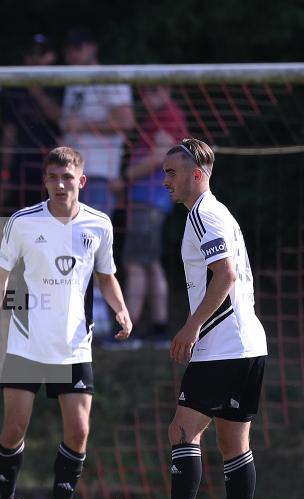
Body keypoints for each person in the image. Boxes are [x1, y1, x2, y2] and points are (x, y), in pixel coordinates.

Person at [0, 146, 133, 499]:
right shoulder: (23, 222)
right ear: (45, 181)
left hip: (74, 345)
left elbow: (106, 275)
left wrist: (120, 309)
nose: (61, 185)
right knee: (14, 427)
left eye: (68, 178)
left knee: (79, 431)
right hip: (26, 341)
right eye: (53, 177)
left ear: (81, 181)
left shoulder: (99, 224)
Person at [125, 139, 267, 499]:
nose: (164, 180)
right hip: (248, 343)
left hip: (223, 345)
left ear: (197, 175)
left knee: (182, 430)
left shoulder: (205, 214)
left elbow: (224, 277)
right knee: (234, 445)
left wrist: (190, 328)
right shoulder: (215, 213)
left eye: (171, 173)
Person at [60, 26, 133, 336]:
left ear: (91, 47)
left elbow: (125, 122)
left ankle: (101, 318)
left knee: (94, 247)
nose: (73, 55)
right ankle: (77, 314)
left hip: (99, 174)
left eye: (78, 48)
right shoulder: (70, 81)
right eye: (69, 50)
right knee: (70, 247)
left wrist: (84, 125)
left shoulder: (110, 76)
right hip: (69, 178)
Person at [112, 86, 189, 349]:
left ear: (166, 90)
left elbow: (160, 155)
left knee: (134, 263)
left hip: (149, 197)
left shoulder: (168, 115)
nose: (146, 97)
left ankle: (127, 332)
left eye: (152, 91)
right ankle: (159, 328)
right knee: (150, 263)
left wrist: (126, 178)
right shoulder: (160, 115)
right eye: (144, 93)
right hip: (151, 199)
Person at [0, 34, 63, 211]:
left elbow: (59, 118)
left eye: (40, 54)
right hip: (21, 167)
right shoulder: (15, 89)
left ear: (51, 57)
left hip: (53, 166)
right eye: (30, 53)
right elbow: (9, 132)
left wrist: (35, 90)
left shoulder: (62, 84)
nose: (35, 58)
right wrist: (5, 175)